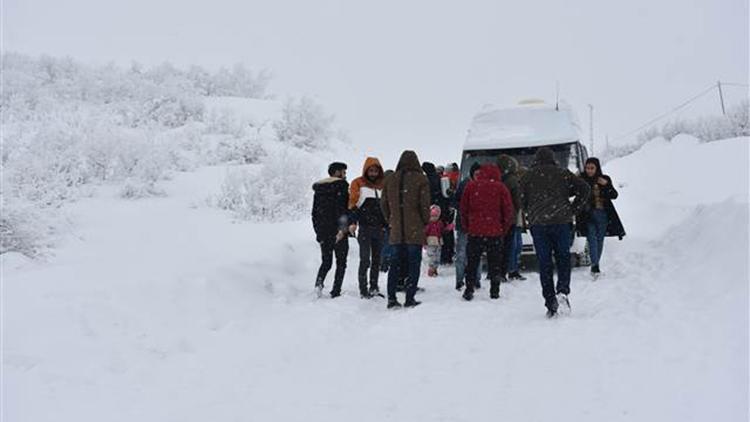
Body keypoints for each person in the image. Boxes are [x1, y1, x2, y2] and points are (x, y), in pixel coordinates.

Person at [520, 147, 590, 318]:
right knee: (563, 257)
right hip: (561, 222)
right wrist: (573, 209)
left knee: (544, 263)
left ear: (536, 159)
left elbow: (520, 199)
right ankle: (563, 290)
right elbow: (585, 188)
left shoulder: (528, 176)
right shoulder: (562, 173)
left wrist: (529, 211)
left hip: (539, 224)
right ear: (553, 159)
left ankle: (550, 301)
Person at [382, 151, 431, 309]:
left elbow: (383, 204)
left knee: (394, 265)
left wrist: (391, 219)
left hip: (396, 229)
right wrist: (424, 221)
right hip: (414, 229)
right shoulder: (421, 179)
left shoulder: (390, 179)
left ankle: (391, 298)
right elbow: (425, 205)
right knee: (413, 264)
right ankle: (410, 298)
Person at [459, 163, 514, 301]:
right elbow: (508, 211)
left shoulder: (471, 186)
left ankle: (469, 288)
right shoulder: (501, 187)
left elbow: (463, 209)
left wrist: (467, 227)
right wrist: (503, 229)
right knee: (495, 262)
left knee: (472, 262)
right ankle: (494, 290)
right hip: (494, 232)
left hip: (475, 231)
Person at [576, 157, 626, 277]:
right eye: (587, 168)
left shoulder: (604, 179)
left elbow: (614, 195)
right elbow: (573, 192)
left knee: (599, 239)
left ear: (597, 168)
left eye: (592, 168)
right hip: (587, 215)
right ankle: (595, 266)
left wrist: (607, 185)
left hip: (602, 213)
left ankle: (595, 264)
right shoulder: (581, 179)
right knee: (592, 238)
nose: (589, 171)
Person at [312, 162, 351, 298]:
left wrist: (318, 231)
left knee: (326, 262)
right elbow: (342, 210)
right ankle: (336, 291)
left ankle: (318, 285)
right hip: (338, 231)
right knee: (341, 263)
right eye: (343, 172)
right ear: (336, 172)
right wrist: (342, 229)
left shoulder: (319, 189)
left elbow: (314, 213)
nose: (345, 175)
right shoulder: (341, 186)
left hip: (323, 231)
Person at [349, 157, 386, 298]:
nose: (373, 173)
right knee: (365, 259)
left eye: (375, 170)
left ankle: (374, 287)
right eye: (370, 170)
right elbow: (353, 204)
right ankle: (363, 289)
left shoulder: (383, 185)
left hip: (379, 228)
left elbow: (386, 206)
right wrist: (353, 222)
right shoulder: (358, 183)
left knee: (377, 260)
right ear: (366, 170)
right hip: (365, 227)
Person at [497, 154, 526, 281]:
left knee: (502, 245)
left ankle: (502, 270)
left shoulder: (498, 179)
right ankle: (512, 269)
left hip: (499, 216)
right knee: (514, 244)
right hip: (513, 216)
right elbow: (517, 200)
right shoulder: (513, 180)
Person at [453, 162, 481, 290]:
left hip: (476, 225)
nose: (478, 176)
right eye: (476, 174)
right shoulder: (465, 184)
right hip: (464, 224)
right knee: (462, 254)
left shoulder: (482, 185)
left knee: (476, 254)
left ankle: (476, 279)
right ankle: (460, 280)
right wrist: (466, 210)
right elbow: (455, 201)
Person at [424, 205, 453, 277]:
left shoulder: (440, 223)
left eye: (436, 216)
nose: (434, 218)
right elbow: (425, 233)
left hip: (438, 241)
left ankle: (435, 268)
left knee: (437, 256)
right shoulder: (428, 224)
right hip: (430, 241)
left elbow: (442, 231)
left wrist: (448, 228)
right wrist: (424, 242)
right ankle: (431, 269)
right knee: (432, 256)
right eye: (432, 216)